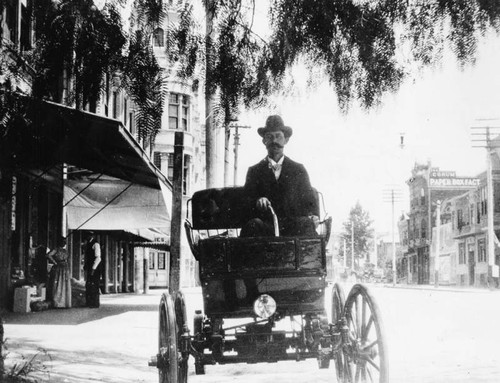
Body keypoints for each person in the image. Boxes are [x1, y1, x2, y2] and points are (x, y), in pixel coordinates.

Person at [240, 115, 319, 237]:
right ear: (264, 141)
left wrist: (313, 216)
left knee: (306, 224)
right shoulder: (254, 171)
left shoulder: (298, 170)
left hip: (293, 228)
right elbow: (246, 202)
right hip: (266, 229)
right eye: (269, 137)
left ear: (286, 140)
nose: (274, 141)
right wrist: (258, 201)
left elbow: (310, 201)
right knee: (253, 226)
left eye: (278, 136)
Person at [46, 236, 71, 308]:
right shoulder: (56, 249)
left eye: (65, 242)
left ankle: (64, 302)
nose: (64, 243)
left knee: (64, 283)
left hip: (65, 267)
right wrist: (55, 262)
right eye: (63, 241)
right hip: (59, 267)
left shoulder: (65, 250)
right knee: (58, 283)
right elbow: (48, 255)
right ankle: (58, 302)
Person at [83, 231, 101, 308]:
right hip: (90, 267)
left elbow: (98, 258)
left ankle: (95, 303)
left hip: (95, 268)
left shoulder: (95, 244)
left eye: (89, 235)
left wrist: (93, 269)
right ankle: (89, 302)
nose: (87, 237)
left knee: (94, 285)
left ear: (92, 236)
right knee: (89, 284)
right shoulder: (89, 244)